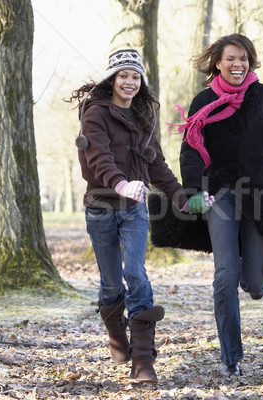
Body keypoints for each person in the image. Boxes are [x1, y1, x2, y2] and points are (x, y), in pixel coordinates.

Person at [173, 33, 263, 376]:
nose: (237, 64)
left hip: (260, 194)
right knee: (225, 275)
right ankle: (231, 358)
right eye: (230, 59)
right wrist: (193, 188)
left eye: (243, 59)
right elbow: (191, 148)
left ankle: (255, 278)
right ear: (218, 63)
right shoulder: (203, 101)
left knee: (253, 282)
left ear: (250, 62)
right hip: (219, 193)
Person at [67, 49, 206, 383]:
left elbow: (158, 166)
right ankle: (118, 336)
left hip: (134, 210)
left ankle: (143, 361)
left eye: (135, 76)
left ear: (141, 82)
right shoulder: (95, 114)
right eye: (123, 75)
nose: (129, 82)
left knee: (137, 272)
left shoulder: (144, 120)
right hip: (100, 207)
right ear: (112, 80)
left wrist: (184, 200)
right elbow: (98, 157)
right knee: (111, 281)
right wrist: (120, 183)